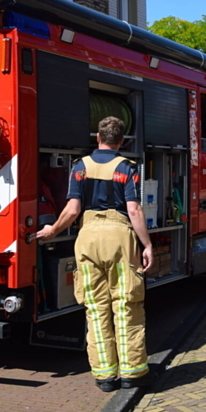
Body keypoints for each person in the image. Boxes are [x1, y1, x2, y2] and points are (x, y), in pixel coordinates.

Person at [36, 116, 155, 393]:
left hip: (87, 237)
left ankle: (104, 376)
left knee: (95, 307)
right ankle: (133, 373)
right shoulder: (127, 168)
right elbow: (134, 209)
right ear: (121, 141)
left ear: (97, 138)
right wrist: (146, 244)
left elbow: (73, 209)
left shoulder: (80, 167)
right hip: (119, 237)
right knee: (126, 304)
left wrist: (53, 230)